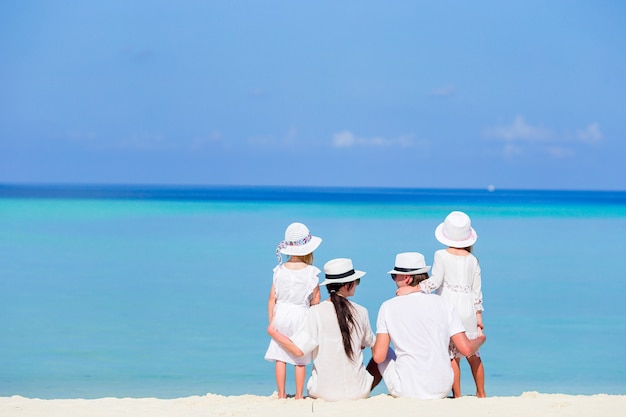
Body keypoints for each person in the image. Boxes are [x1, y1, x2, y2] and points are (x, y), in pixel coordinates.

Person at [372, 252, 486, 399]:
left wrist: (370, 342)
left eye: (394, 276)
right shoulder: (444, 303)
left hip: (406, 389)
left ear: (407, 278)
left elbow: (379, 357)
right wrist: (481, 339)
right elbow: (465, 349)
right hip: (442, 388)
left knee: (383, 350)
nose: (393, 280)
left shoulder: (387, 307)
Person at [267, 258, 381, 401]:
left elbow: (298, 350)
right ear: (347, 285)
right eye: (356, 282)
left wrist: (274, 333)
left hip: (322, 393)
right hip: (358, 392)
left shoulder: (315, 312)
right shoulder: (361, 311)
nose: (357, 285)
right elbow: (373, 344)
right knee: (385, 352)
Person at [417, 211, 486, 397]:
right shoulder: (473, 260)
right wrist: (479, 318)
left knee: (452, 356)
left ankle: (457, 395)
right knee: (473, 355)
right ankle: (481, 393)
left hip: (448, 308)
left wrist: (416, 289)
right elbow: (476, 293)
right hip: (468, 310)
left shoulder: (440, 255)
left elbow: (435, 281)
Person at [264, 222, 322, 399]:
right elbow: (316, 299)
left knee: (280, 356)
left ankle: (281, 394)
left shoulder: (279, 270)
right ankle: (298, 395)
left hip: (281, 313)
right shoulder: (311, 272)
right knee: (300, 358)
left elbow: (272, 297)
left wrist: (272, 320)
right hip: (301, 314)